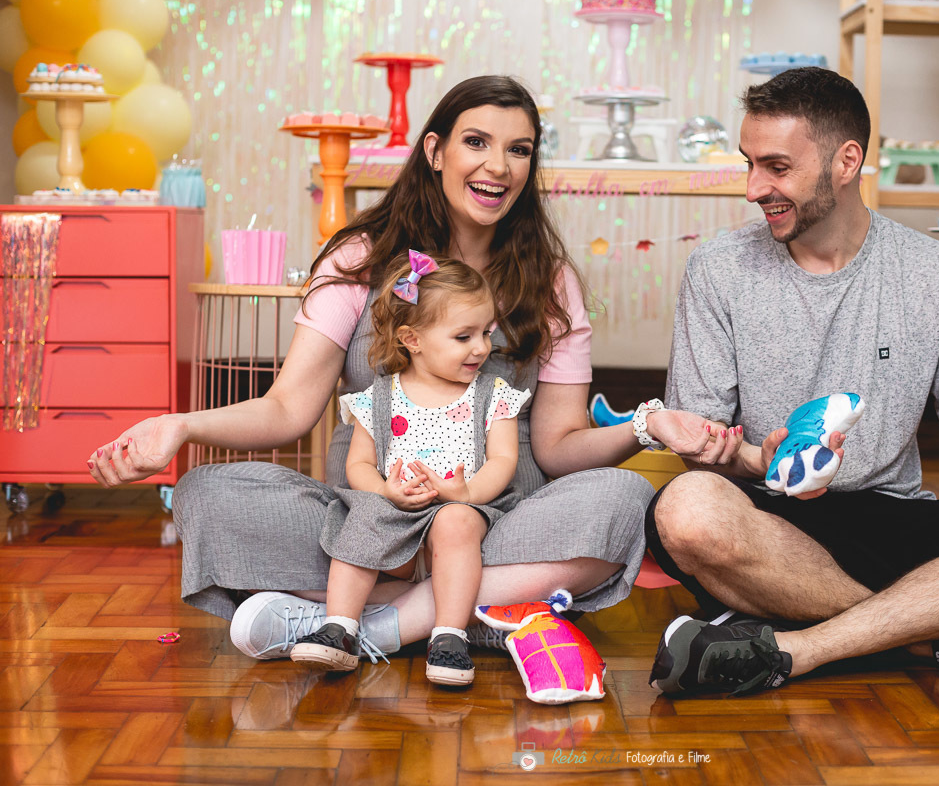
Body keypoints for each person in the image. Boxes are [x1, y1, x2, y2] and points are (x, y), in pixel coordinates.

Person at [86, 75, 719, 663]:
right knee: (205, 494)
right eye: (477, 142)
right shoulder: (359, 259)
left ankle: (360, 624)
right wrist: (181, 425)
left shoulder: (549, 281)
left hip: (498, 523)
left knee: (627, 499)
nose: (499, 167)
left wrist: (646, 428)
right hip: (364, 526)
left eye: (519, 150)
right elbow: (287, 409)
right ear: (435, 152)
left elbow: (558, 448)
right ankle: (469, 611)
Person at [643, 67, 939, 697]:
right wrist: (764, 459)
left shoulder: (938, 272)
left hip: (897, 518)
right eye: (750, 164)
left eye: (777, 167)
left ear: (847, 161)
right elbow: (702, 446)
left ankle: (800, 649)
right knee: (686, 509)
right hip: (774, 521)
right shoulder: (717, 270)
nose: (754, 188)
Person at [289, 254, 530, 686]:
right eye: (463, 336)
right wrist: (386, 492)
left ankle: (449, 636)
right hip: (396, 526)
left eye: (486, 332)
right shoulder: (379, 397)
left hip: (460, 522)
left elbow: (503, 461)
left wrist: (466, 494)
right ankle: (340, 627)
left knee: (454, 521)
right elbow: (359, 464)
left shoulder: (493, 394)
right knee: (363, 513)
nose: (481, 347)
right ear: (412, 339)